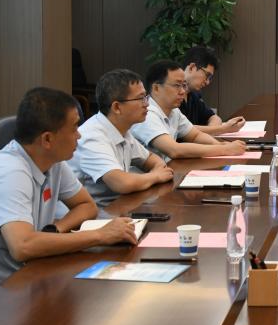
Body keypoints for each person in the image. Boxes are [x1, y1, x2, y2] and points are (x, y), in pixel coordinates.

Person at [0, 88, 138, 299]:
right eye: (74, 128)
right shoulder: (9, 173)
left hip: (18, 279)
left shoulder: (51, 161)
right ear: (47, 139)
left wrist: (55, 229)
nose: (79, 135)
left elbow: (86, 206)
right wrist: (100, 235)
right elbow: (22, 246)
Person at [69, 69, 175, 206]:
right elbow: (122, 183)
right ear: (117, 107)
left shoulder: (122, 129)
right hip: (94, 214)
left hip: (117, 207)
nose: (147, 104)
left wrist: (157, 171)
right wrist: (155, 176)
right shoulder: (92, 136)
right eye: (140, 98)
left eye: (146, 97)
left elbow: (151, 159)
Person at [131, 60, 248, 160]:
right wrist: (225, 149)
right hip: (144, 177)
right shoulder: (147, 114)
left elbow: (195, 135)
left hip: (166, 171)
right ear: (156, 88)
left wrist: (219, 144)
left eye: (183, 85)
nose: (182, 91)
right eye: (177, 85)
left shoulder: (174, 111)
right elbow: (174, 150)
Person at [179, 46, 245, 136]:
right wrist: (223, 129)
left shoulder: (194, 95)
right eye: (207, 75)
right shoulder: (170, 94)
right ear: (192, 67)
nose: (207, 82)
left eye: (210, 78)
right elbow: (181, 129)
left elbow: (213, 117)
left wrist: (213, 130)